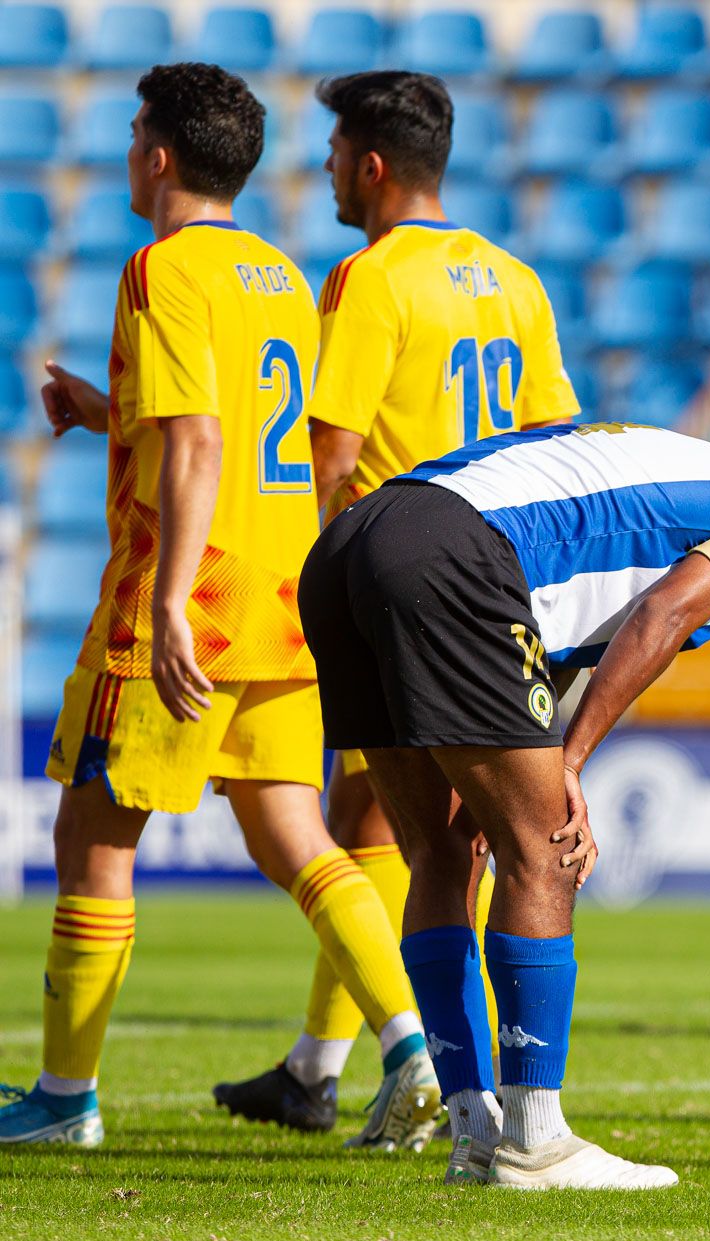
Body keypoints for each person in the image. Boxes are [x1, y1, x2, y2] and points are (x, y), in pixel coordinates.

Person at [0, 63, 432, 1150]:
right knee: (296, 833)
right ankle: (413, 1046)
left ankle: (63, 1099)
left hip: (188, 592)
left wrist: (173, 605)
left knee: (94, 830)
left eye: (136, 133)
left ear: (157, 155)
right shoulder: (280, 274)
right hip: (287, 597)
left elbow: (199, 442)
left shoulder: (159, 269)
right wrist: (112, 414)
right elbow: (236, 423)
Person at [299, 421, 710, 1187]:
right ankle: (536, 1139)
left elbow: (552, 652)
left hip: (351, 544)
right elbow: (663, 616)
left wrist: (525, 757)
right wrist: (568, 762)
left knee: (444, 849)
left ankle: (475, 1131)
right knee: (548, 853)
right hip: (453, 553)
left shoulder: (678, 500)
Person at [213, 69, 581, 1133]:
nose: (325, 169)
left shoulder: (369, 280)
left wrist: (328, 594)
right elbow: (555, 442)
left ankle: (433, 1070)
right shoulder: (515, 278)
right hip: (499, 581)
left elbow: (330, 458)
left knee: (437, 844)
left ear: (370, 165)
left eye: (332, 154)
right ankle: (318, 1064)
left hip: (401, 586)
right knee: (367, 819)